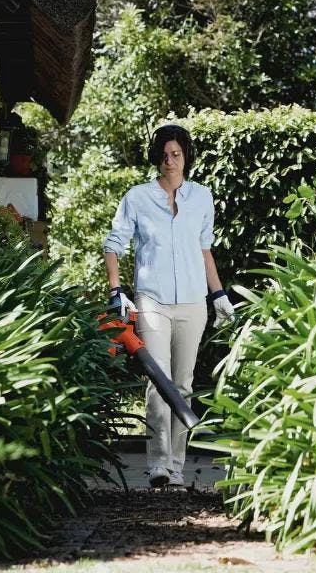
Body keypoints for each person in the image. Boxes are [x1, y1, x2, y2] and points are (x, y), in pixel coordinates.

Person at [103, 124, 235, 488]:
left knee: (184, 383)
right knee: (159, 379)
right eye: (164, 155)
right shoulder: (137, 197)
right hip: (152, 299)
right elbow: (113, 245)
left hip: (193, 301)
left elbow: (204, 248)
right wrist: (117, 290)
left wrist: (218, 293)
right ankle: (158, 464)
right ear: (156, 158)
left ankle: (177, 464)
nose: (170, 160)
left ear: (186, 156)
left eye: (176, 154)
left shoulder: (202, 198)